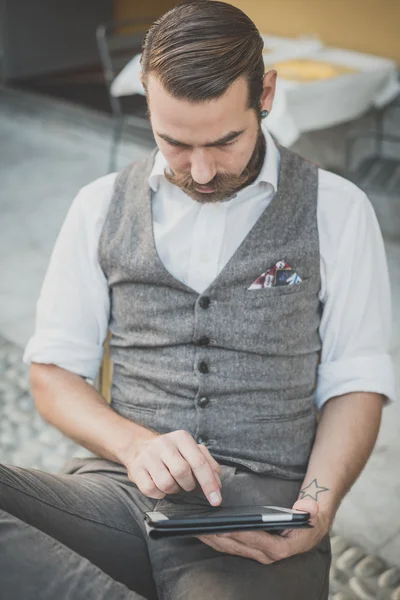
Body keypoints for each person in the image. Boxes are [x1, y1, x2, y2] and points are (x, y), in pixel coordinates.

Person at [0, 1, 395, 598]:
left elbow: (356, 381)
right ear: (146, 98)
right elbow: (54, 373)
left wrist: (315, 506)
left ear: (265, 93)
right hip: (120, 495)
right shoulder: (99, 204)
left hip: (261, 512)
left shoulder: (337, 209)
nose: (203, 171)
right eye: (175, 143)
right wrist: (134, 445)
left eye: (225, 141)